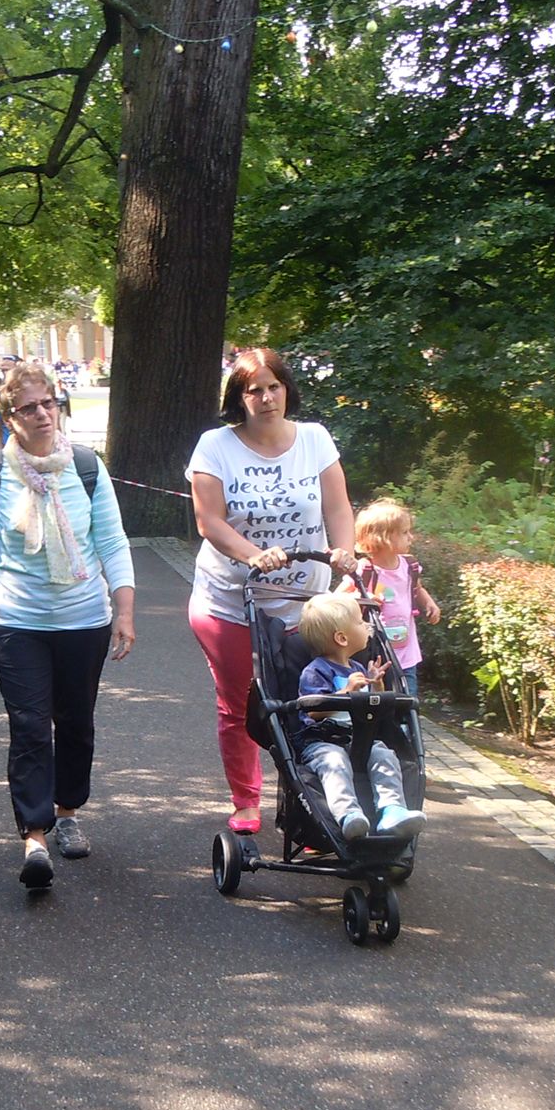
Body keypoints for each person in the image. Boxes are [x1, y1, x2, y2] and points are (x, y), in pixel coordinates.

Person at [0, 359, 136, 891]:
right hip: (18, 620)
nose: (42, 414)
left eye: (49, 403)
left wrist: (125, 612)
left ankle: (68, 811)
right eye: (28, 407)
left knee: (76, 722)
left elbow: (112, 541)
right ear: (9, 417)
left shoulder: (85, 466)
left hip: (84, 618)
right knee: (31, 726)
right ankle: (34, 836)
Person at [187, 346, 355, 835]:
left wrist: (344, 553)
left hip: (306, 605)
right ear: (238, 398)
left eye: (273, 387)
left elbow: (338, 507)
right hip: (231, 602)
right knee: (241, 703)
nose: (265, 398)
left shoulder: (315, 439)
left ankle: (314, 805)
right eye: (253, 390)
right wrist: (253, 555)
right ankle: (246, 800)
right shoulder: (215, 446)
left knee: (314, 702)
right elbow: (209, 520)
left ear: (286, 390)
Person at [293, 592, 427, 840]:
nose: (367, 626)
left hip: (358, 738)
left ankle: (392, 810)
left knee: (384, 754)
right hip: (322, 742)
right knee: (334, 762)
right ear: (342, 638)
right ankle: (348, 815)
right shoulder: (315, 671)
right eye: (359, 622)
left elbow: (373, 709)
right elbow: (312, 710)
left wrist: (376, 686)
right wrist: (346, 692)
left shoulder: (357, 669)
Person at [342, 498, 442, 696]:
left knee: (407, 701)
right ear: (384, 538)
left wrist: (429, 603)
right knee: (375, 700)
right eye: (405, 532)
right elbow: (338, 599)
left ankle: (406, 718)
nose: (411, 537)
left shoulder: (409, 566)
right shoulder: (364, 569)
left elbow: (417, 588)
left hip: (406, 654)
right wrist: (362, 598)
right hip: (373, 656)